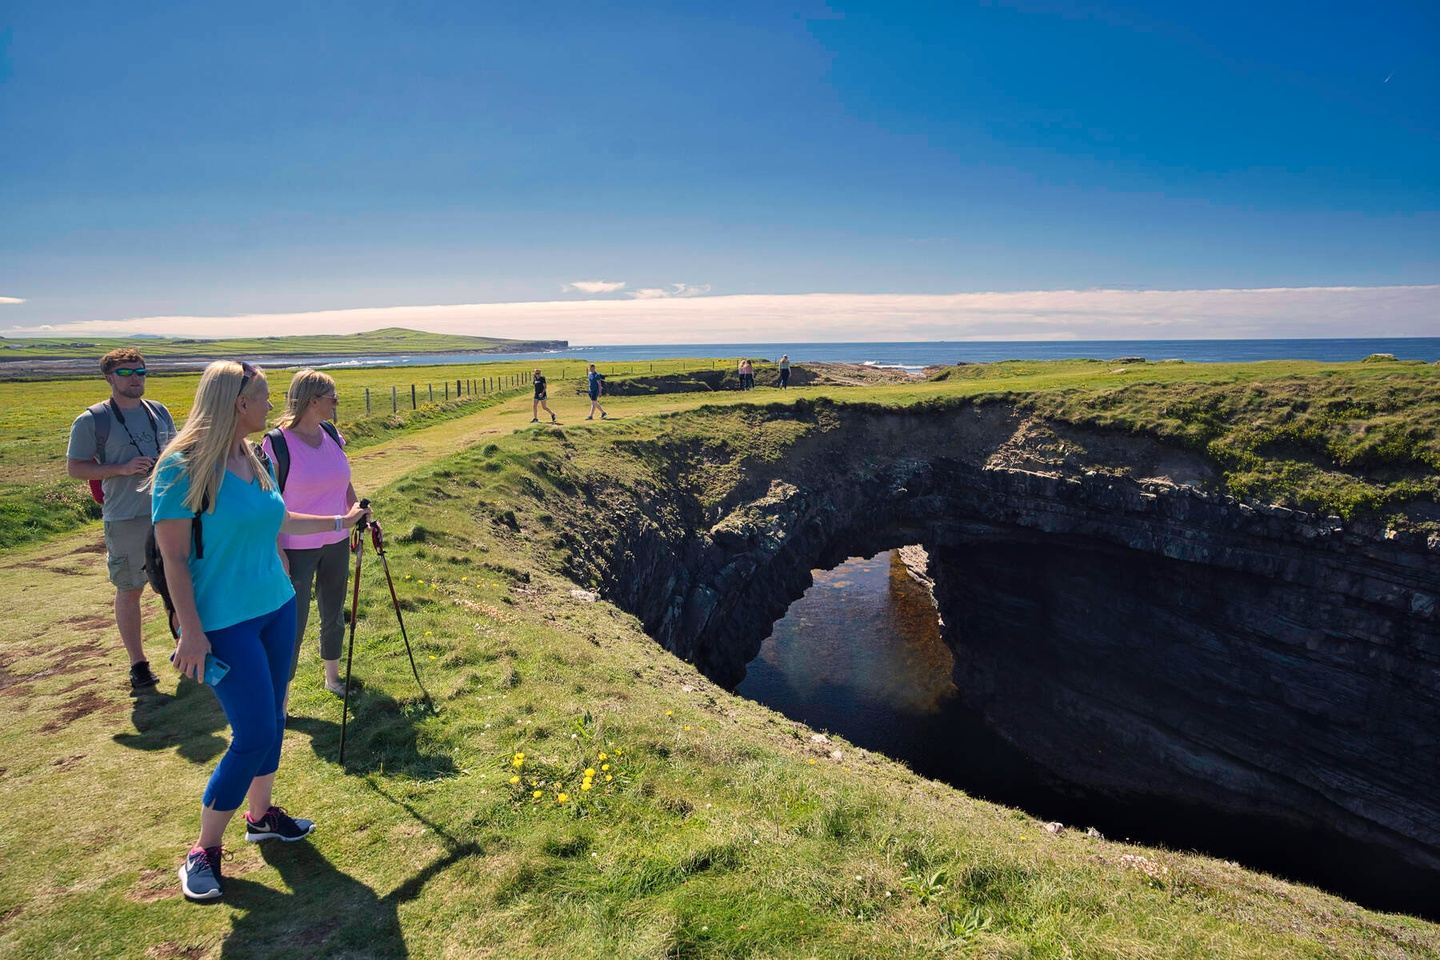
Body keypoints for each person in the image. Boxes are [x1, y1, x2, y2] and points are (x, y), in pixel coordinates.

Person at [149, 360, 368, 901]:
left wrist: (342, 523)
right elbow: (173, 559)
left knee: (271, 719)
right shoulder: (183, 467)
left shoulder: (249, 456)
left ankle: (262, 815)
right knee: (251, 736)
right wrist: (191, 631)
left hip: (275, 606)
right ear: (234, 402)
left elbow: (280, 520)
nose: (271, 406)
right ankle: (204, 850)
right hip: (225, 622)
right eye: (263, 396)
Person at [66, 348, 178, 690]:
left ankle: (185, 645)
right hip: (126, 516)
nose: (135, 379)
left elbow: (175, 451)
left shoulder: (158, 412)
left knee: (179, 583)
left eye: (140, 372)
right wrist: (121, 469)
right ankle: (138, 664)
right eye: (126, 373)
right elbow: (75, 467)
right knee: (130, 588)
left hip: (168, 512)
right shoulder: (92, 420)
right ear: (109, 377)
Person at [261, 370, 356, 696]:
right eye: (333, 397)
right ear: (313, 400)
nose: (336, 403)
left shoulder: (330, 433)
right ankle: (282, 697)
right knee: (293, 624)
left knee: (334, 613)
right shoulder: (275, 444)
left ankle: (332, 678)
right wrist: (277, 550)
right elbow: (269, 505)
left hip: (337, 541)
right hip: (295, 547)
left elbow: (344, 480)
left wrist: (357, 511)